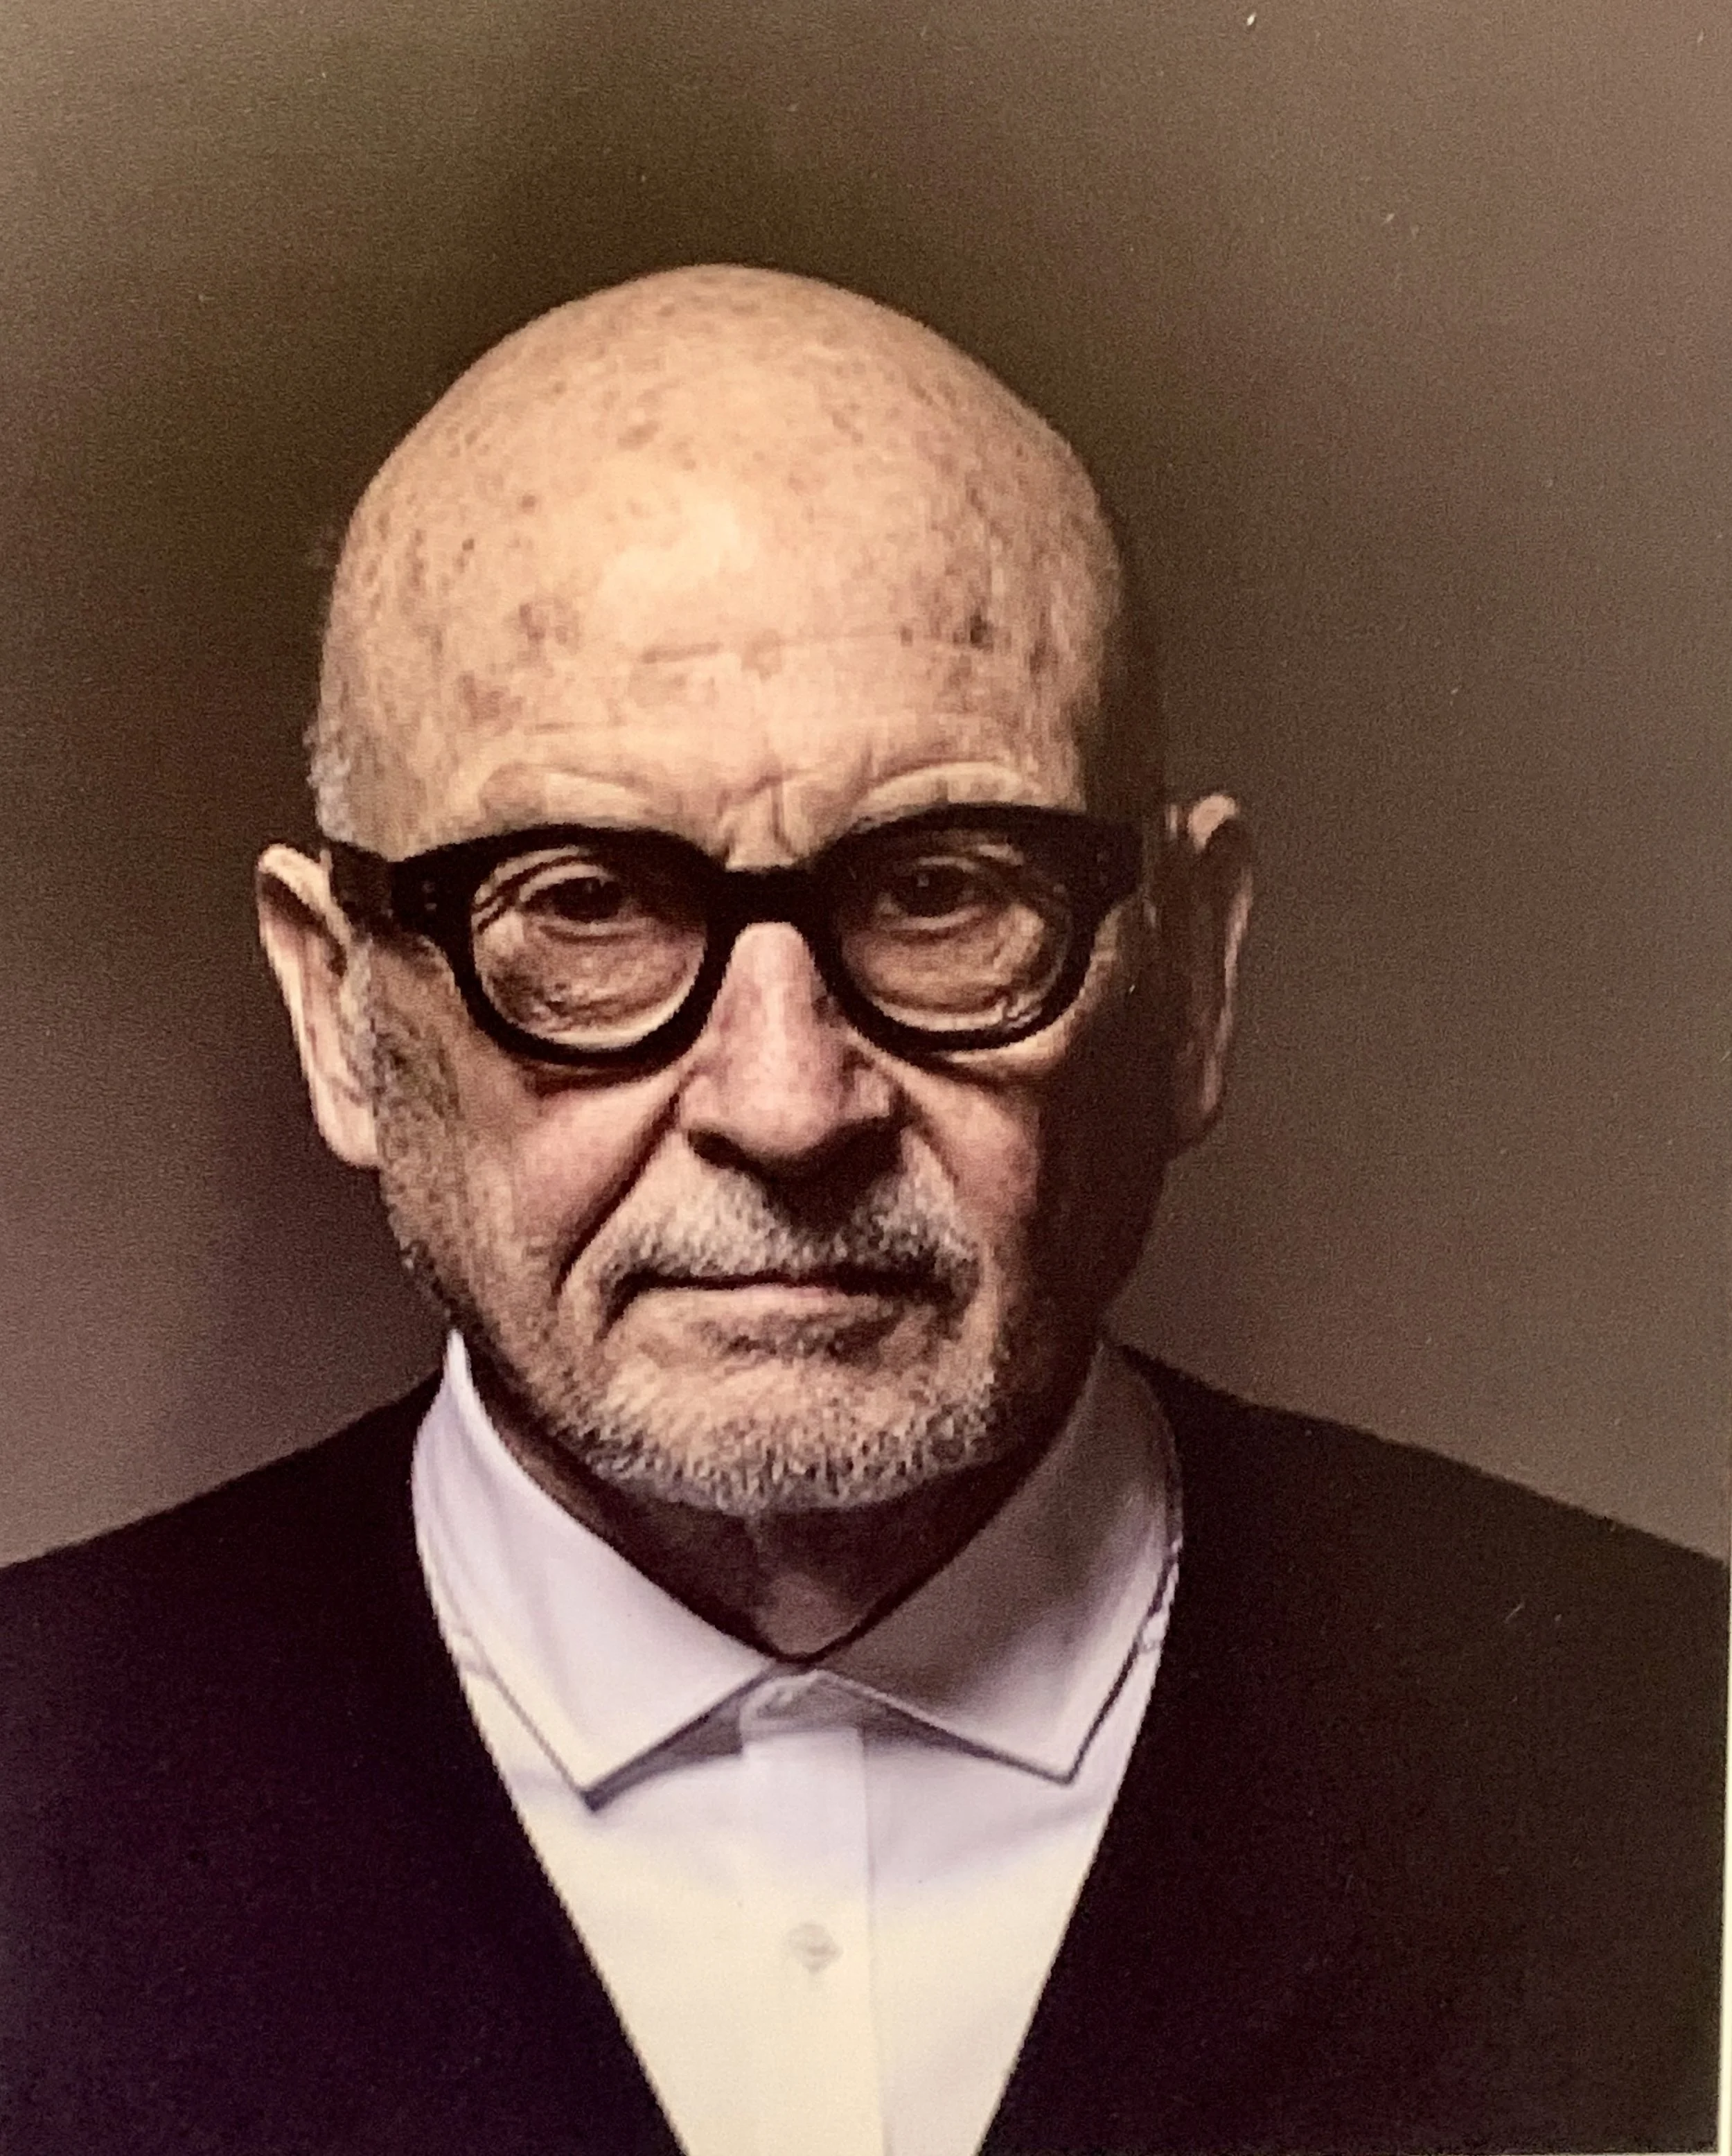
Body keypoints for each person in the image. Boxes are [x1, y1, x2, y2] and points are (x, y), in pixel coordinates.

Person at [0, 265, 1720, 2156]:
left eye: (941, 892)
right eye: (581, 908)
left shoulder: (1673, 1765)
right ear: (338, 1007)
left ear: (1194, 981)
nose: (783, 1102)